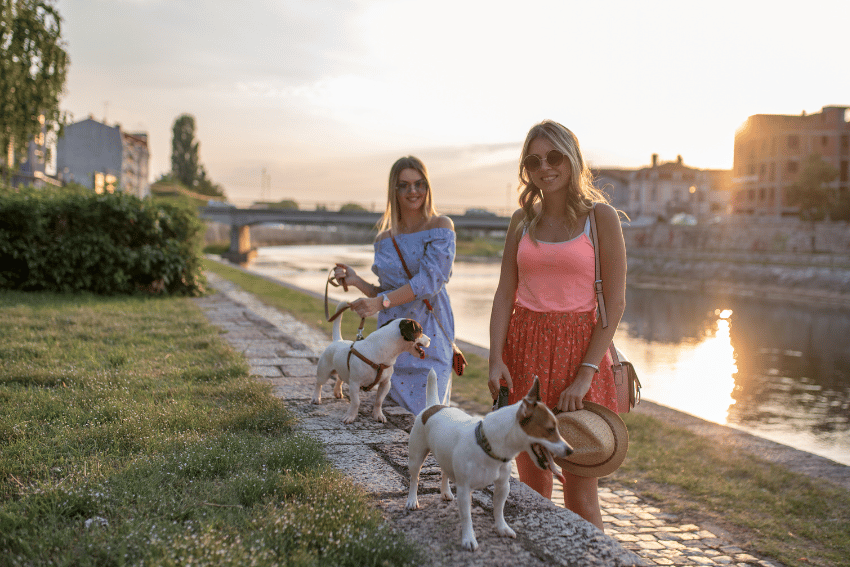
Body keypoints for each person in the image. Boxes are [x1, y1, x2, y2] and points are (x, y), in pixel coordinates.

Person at [488, 120, 627, 531]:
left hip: (580, 355)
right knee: (533, 489)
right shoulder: (521, 220)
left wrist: (585, 375)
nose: (544, 166)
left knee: (581, 494)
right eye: (534, 160)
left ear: (572, 158)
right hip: (524, 349)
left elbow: (615, 304)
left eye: (554, 156)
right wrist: (495, 358)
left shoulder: (600, 218)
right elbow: (503, 295)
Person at [333, 156, 456, 415]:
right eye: (405, 185)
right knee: (390, 418)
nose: (413, 191)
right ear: (394, 190)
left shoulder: (440, 227)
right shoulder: (384, 239)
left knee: (429, 417)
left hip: (426, 336)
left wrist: (380, 302)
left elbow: (428, 282)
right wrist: (357, 282)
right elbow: (386, 291)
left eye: (419, 184)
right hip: (388, 344)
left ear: (427, 187)